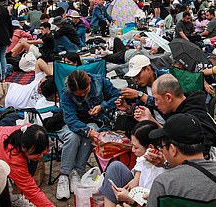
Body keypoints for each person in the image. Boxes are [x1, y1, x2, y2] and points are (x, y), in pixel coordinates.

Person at [146, 114, 216, 207]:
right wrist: (165, 164)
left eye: (161, 146)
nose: (161, 150)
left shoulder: (164, 183)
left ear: (173, 149)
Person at [56, 70, 120, 200]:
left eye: (85, 92)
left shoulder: (99, 81)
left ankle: (77, 172)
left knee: (91, 132)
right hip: (69, 124)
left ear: (89, 82)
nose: (82, 96)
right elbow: (70, 119)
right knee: (74, 137)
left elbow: (117, 97)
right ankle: (64, 175)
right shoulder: (66, 92)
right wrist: (87, 131)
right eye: (78, 95)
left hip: (94, 122)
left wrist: (102, 106)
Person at [0, 124, 54, 207]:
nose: (41, 156)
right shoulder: (12, 157)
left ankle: (15, 197)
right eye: (37, 154)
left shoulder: (31, 132)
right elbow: (31, 190)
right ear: (24, 147)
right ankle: (12, 199)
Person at [100, 121, 165, 207]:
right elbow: (140, 163)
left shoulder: (165, 171)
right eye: (132, 146)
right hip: (138, 197)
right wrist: (136, 178)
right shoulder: (146, 155)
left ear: (150, 148)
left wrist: (130, 200)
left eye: (136, 147)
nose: (133, 150)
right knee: (115, 167)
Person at [116, 55, 167, 125]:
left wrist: (140, 95)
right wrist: (128, 109)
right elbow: (141, 108)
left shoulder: (166, 79)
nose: (136, 79)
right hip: (154, 124)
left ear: (148, 69)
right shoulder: (140, 86)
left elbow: (167, 106)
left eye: (138, 75)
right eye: (133, 77)